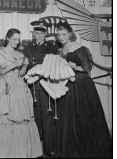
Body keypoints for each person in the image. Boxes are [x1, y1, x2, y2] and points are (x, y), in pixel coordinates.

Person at [0, 28, 42, 158]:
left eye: (18, 39)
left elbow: (20, 75)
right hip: (2, 87)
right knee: (1, 118)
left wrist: (25, 66)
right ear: (8, 38)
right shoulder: (1, 54)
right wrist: (14, 64)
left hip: (17, 87)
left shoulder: (20, 54)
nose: (17, 41)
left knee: (19, 120)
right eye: (14, 39)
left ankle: (16, 153)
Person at [48, 21, 112, 158]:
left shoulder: (80, 48)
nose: (61, 37)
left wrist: (75, 66)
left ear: (70, 34)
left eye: (63, 34)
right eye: (59, 35)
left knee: (82, 118)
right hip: (67, 85)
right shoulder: (60, 51)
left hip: (82, 86)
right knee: (68, 119)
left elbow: (87, 68)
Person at [23, 20, 59, 157]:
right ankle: (36, 150)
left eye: (41, 33)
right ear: (33, 34)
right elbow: (26, 66)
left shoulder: (51, 47)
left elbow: (52, 66)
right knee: (34, 119)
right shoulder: (27, 46)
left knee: (47, 119)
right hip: (31, 86)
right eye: (36, 33)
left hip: (46, 86)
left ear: (46, 34)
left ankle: (48, 149)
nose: (39, 36)